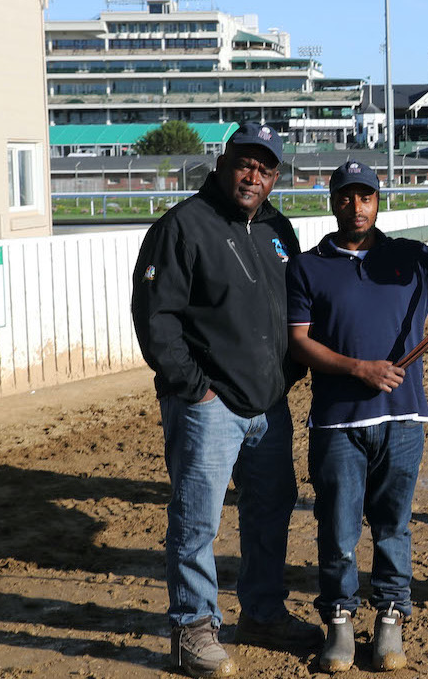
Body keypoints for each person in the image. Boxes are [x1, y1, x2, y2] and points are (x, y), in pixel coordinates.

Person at [286, 162, 428, 673]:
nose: (356, 206)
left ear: (378, 200)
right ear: (332, 200)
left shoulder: (409, 257)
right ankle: (339, 621)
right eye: (346, 196)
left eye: (365, 196)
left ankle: (390, 618)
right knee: (338, 531)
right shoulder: (306, 267)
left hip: (404, 419)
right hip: (338, 423)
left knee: (393, 527)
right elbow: (297, 341)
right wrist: (358, 369)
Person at [132, 122, 322, 678]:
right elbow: (155, 318)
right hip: (208, 407)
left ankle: (262, 612)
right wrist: (196, 389)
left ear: (275, 178)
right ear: (224, 161)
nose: (252, 176)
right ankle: (192, 627)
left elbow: (299, 307)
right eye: (245, 163)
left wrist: (287, 376)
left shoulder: (277, 230)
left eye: (265, 169)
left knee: (270, 511)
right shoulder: (183, 226)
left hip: (268, 406)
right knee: (197, 521)